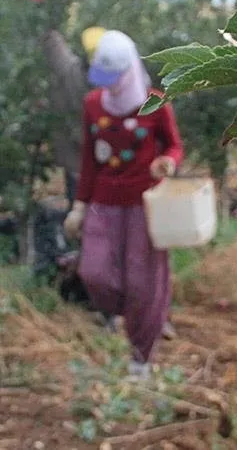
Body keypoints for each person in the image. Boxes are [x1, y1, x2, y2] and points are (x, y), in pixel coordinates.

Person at [63, 30, 184, 380]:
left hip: (144, 204)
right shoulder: (93, 105)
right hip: (104, 201)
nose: (110, 86)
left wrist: (168, 162)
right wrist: (79, 206)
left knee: (143, 283)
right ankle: (119, 312)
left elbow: (174, 146)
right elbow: (89, 160)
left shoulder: (155, 102)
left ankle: (140, 358)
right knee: (95, 272)